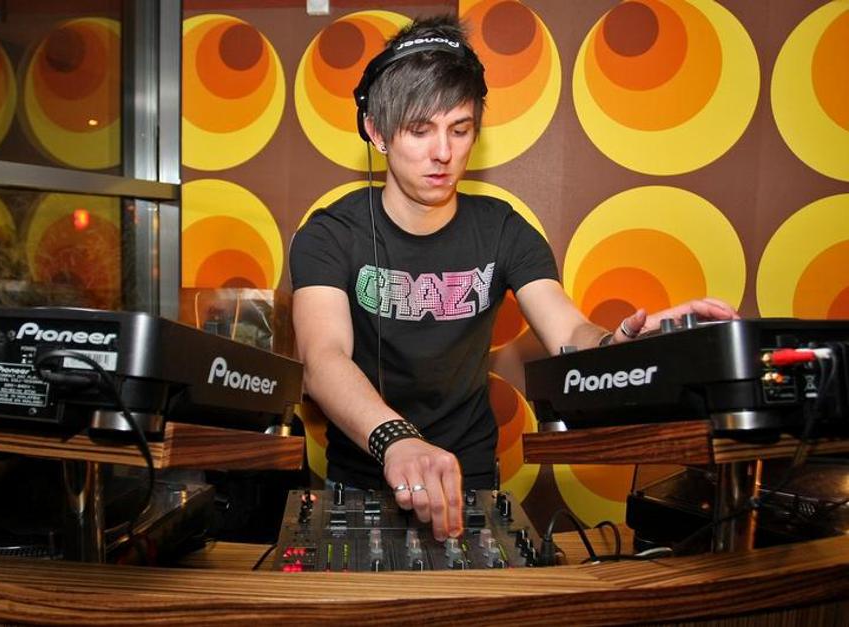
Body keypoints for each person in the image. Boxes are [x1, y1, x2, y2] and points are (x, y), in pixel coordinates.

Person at [288, 14, 737, 543]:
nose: (443, 152)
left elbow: (569, 331)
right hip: (364, 477)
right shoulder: (329, 234)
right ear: (376, 131)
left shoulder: (505, 230)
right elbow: (323, 359)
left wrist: (621, 347)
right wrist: (397, 440)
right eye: (420, 130)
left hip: (469, 480)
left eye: (460, 130)